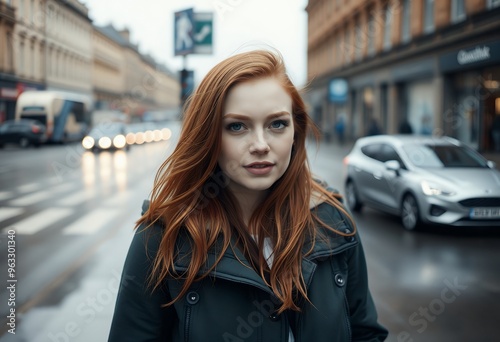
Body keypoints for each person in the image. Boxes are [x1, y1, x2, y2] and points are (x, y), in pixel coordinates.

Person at [108, 49, 388, 342]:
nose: (260, 144)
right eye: (237, 126)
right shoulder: (161, 236)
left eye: (277, 124)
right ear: (209, 136)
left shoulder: (334, 222)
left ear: (296, 131)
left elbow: (366, 334)